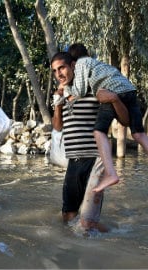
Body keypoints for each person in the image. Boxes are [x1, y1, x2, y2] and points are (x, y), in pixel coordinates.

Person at [66, 43, 148, 198]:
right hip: (129, 90)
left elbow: (80, 91)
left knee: (98, 131)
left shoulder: (82, 63)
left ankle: (111, 173)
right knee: (139, 135)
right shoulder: (98, 64)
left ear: (73, 62)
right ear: (87, 52)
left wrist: (66, 89)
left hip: (111, 91)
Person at [51, 51, 116, 232]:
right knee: (68, 216)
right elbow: (57, 127)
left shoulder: (94, 89)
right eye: (55, 71)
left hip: (94, 160)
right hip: (74, 161)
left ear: (73, 66)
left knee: (87, 224)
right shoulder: (62, 95)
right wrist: (57, 103)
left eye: (62, 68)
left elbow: (114, 117)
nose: (59, 74)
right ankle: (113, 233)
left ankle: (119, 239)